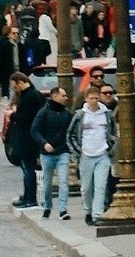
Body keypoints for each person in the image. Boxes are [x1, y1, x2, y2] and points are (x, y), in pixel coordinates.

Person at [66, 86, 113, 225]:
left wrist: (110, 149)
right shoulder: (81, 115)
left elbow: (113, 133)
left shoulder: (107, 114)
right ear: (86, 99)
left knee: (100, 186)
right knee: (87, 188)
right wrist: (78, 151)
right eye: (91, 98)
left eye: (97, 98)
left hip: (102, 154)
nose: (94, 101)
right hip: (86, 155)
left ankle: (97, 215)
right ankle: (88, 210)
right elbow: (70, 135)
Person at [32, 86, 74, 219]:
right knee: (47, 182)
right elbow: (35, 130)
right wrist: (44, 143)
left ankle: (63, 209)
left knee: (63, 180)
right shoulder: (43, 112)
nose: (66, 98)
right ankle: (47, 206)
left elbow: (72, 129)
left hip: (62, 151)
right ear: (55, 96)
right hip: (47, 153)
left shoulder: (66, 113)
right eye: (63, 95)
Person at [8, 73, 45, 208]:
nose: (14, 90)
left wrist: (12, 115)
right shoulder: (31, 95)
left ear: (20, 82)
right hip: (27, 138)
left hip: (28, 139)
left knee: (28, 169)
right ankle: (27, 196)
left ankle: (30, 198)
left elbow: (25, 118)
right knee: (26, 169)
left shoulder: (31, 96)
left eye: (14, 87)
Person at [0, 25, 18, 102]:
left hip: (0, 64)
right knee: (6, 82)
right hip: (6, 65)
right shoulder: (7, 43)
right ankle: (6, 96)